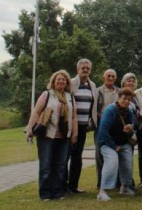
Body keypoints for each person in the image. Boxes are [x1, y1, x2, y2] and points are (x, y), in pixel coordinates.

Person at [26, 70, 78, 201]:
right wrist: (29, 129)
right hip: (47, 136)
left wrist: (74, 134)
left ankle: (57, 192)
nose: (61, 81)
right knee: (46, 165)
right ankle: (45, 194)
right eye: (58, 79)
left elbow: (74, 117)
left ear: (67, 82)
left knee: (60, 166)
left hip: (64, 137)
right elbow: (36, 112)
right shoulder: (47, 95)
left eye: (64, 80)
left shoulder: (70, 97)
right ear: (53, 82)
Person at [96, 87, 136, 201]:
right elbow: (103, 130)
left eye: (129, 99)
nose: (127, 101)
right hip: (107, 143)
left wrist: (130, 130)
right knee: (112, 162)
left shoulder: (129, 111)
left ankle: (125, 187)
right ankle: (102, 192)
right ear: (118, 98)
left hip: (123, 143)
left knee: (128, 163)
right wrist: (114, 146)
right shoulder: (110, 110)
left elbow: (132, 130)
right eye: (124, 98)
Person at [68, 58, 97, 194]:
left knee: (77, 156)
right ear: (77, 69)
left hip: (83, 126)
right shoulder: (72, 83)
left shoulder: (92, 85)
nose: (85, 70)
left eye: (87, 68)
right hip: (69, 126)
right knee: (66, 155)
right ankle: (62, 185)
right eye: (83, 68)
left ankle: (73, 186)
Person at [95, 69, 119, 190]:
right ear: (103, 77)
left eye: (113, 76)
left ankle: (116, 182)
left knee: (116, 153)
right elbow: (93, 109)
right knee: (100, 155)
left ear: (115, 78)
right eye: (108, 76)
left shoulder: (118, 91)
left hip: (115, 128)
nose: (110, 78)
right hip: (101, 126)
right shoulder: (98, 91)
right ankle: (101, 182)